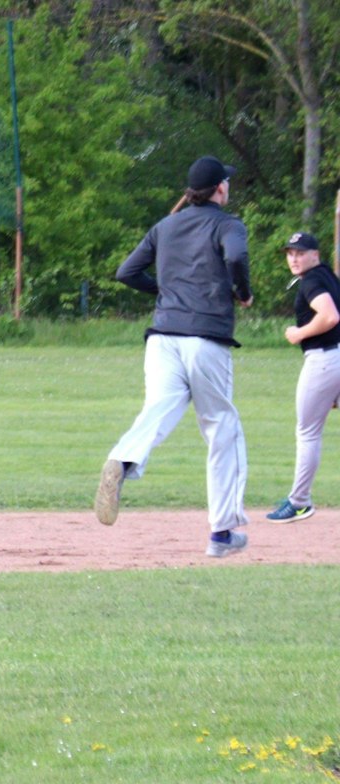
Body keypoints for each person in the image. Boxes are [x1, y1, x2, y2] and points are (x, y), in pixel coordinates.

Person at [96, 155, 253, 557]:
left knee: (160, 406)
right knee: (222, 426)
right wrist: (243, 293)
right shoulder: (228, 224)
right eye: (227, 183)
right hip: (205, 339)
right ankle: (222, 533)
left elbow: (126, 272)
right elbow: (235, 257)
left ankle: (123, 459)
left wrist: (165, 292)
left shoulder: (166, 226)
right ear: (220, 189)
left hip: (162, 336)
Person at [263, 231, 340, 523]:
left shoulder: (312, 281)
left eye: (300, 252)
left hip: (323, 359)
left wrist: (299, 333)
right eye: (290, 253)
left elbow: (330, 316)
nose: (294, 258)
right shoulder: (328, 276)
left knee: (307, 432)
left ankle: (299, 501)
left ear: (315, 255)